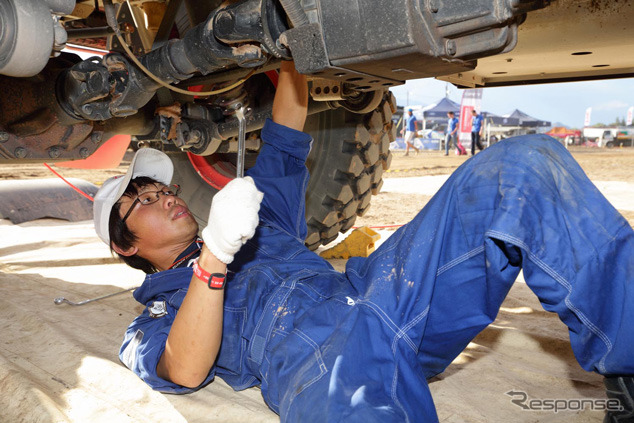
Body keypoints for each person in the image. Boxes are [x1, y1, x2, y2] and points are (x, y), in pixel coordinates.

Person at [94, 61, 634, 423]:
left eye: (161, 188)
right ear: (126, 246)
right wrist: (214, 258)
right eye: (141, 200)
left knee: (521, 167)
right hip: (316, 355)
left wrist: (286, 50)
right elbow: (184, 370)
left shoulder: (258, 220)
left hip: (389, 290)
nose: (164, 197)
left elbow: (286, 126)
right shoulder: (151, 320)